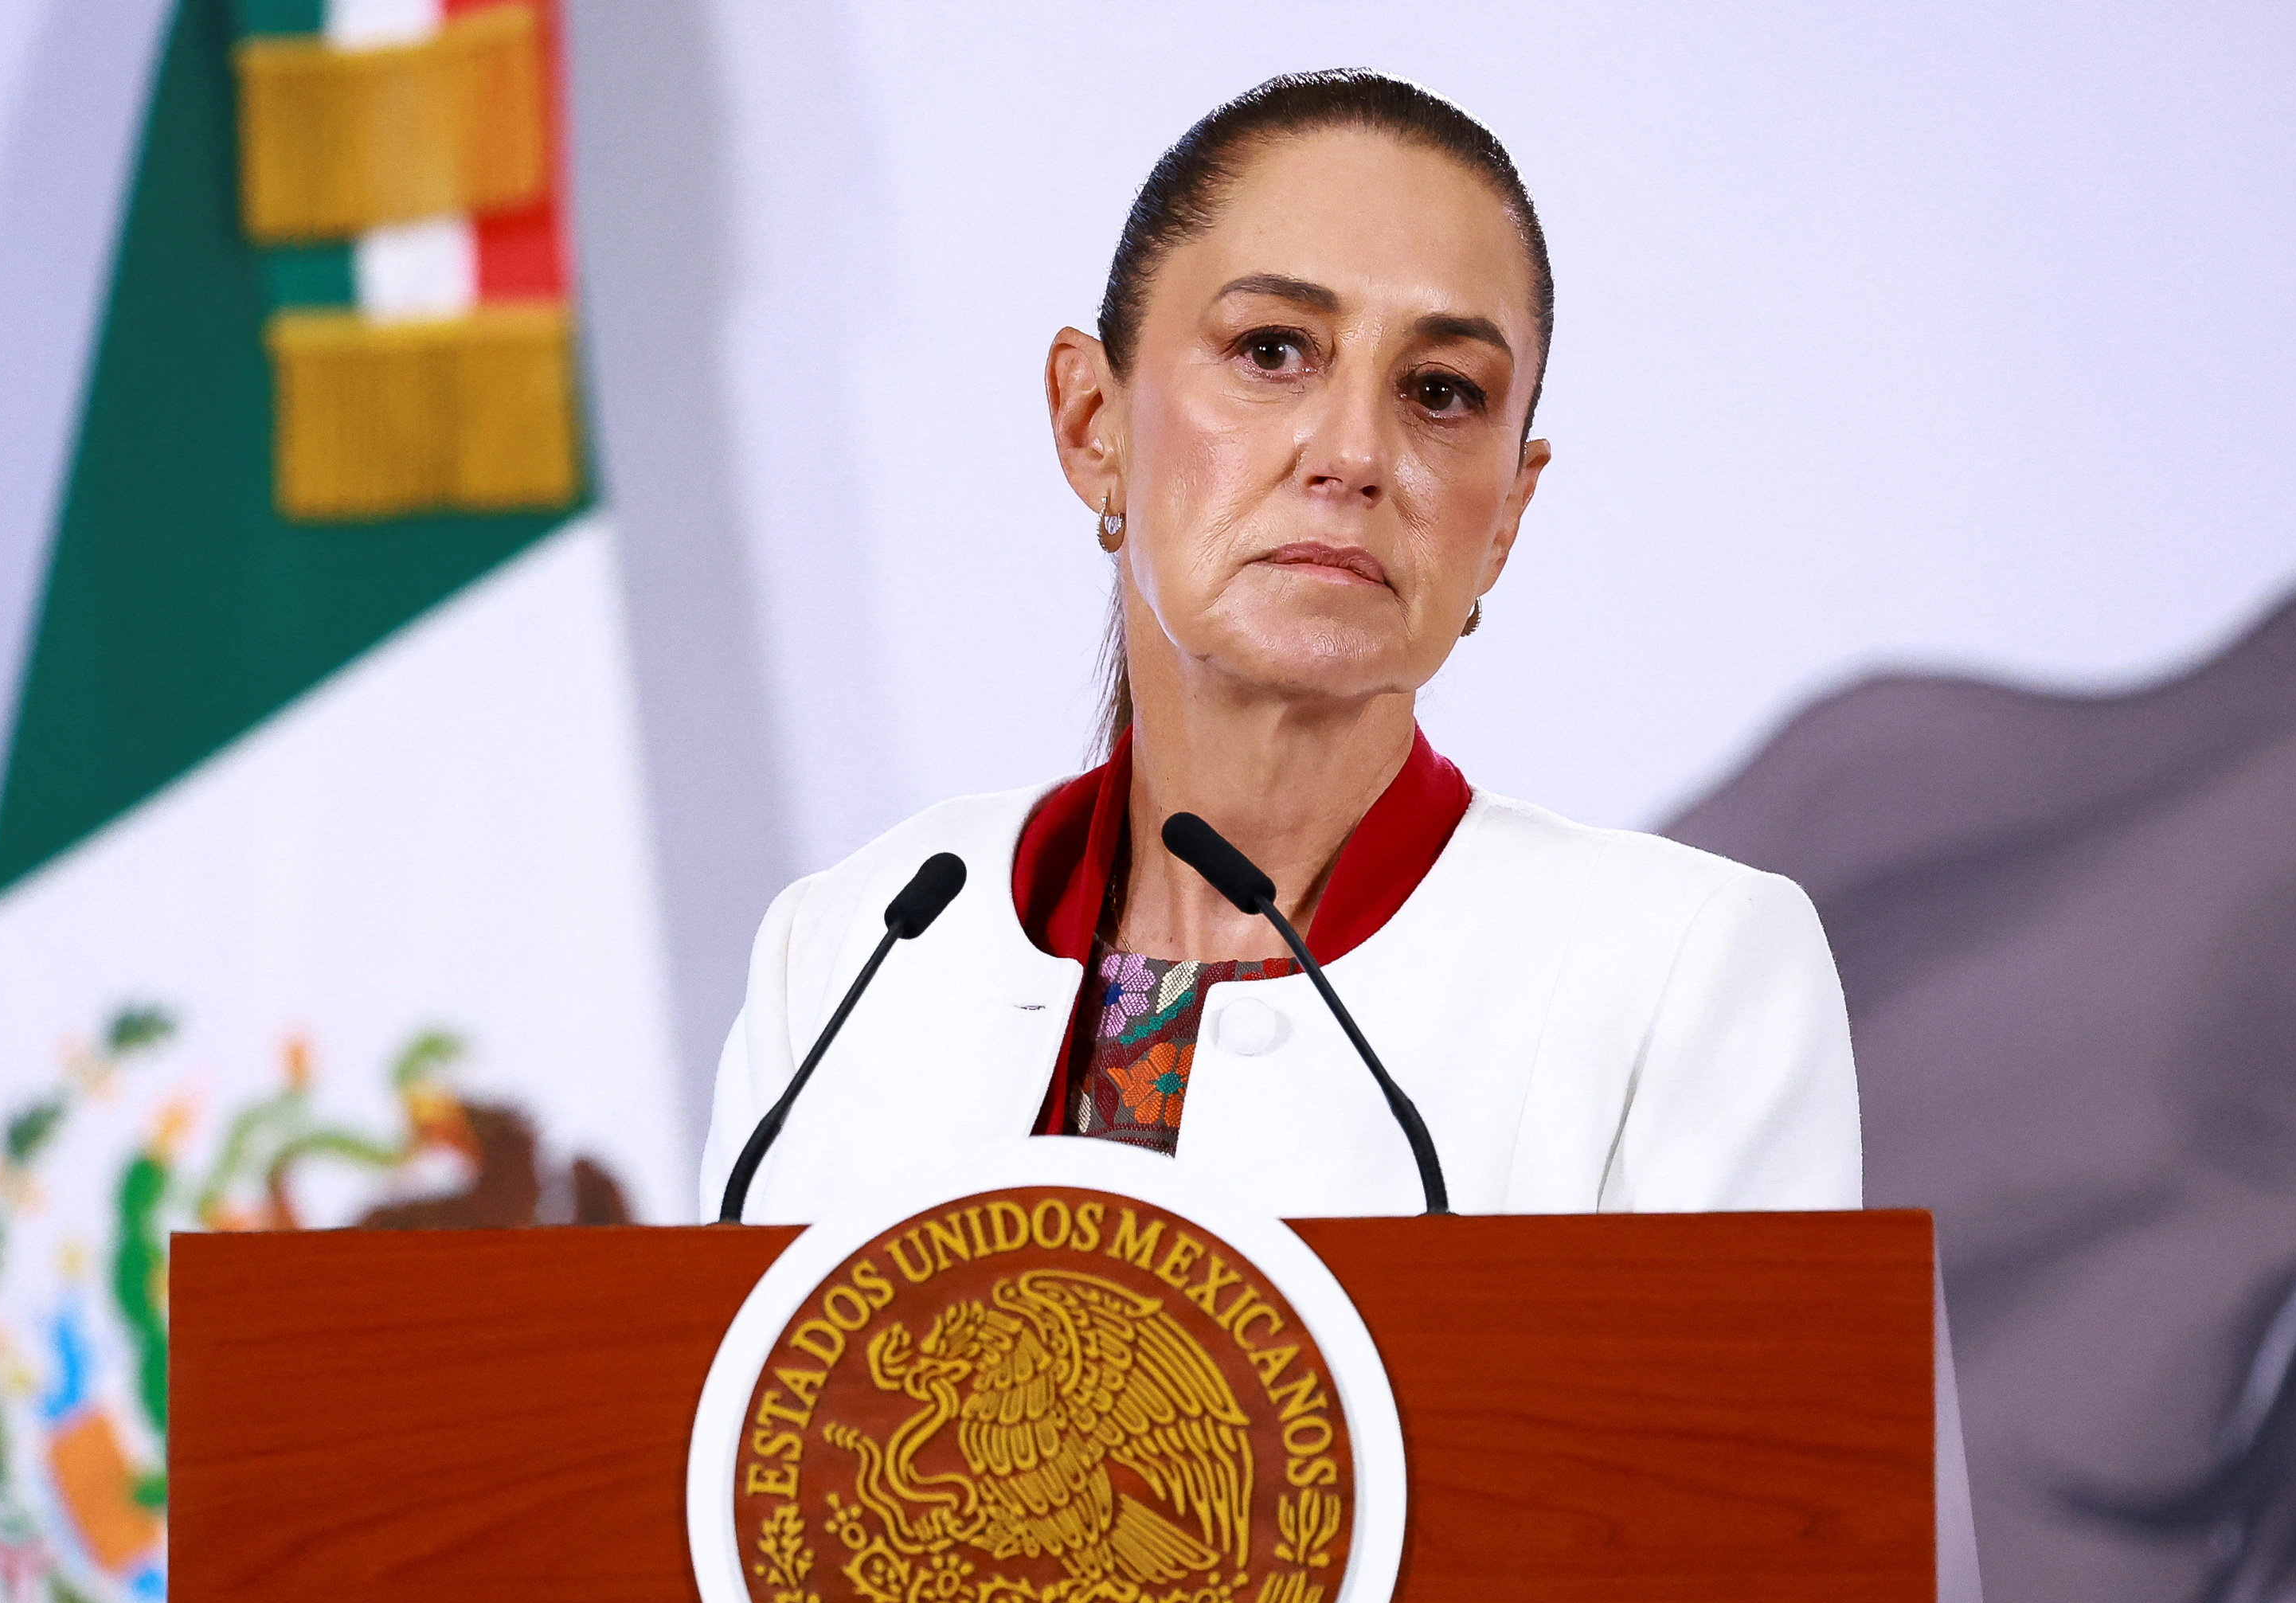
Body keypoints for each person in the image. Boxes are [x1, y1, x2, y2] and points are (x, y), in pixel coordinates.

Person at [701, 71, 1858, 1225]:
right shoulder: (855, 950)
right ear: (1091, 423)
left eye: (1441, 389)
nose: (1350, 451)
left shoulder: (1680, 976)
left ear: (1506, 511)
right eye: (1271, 351)